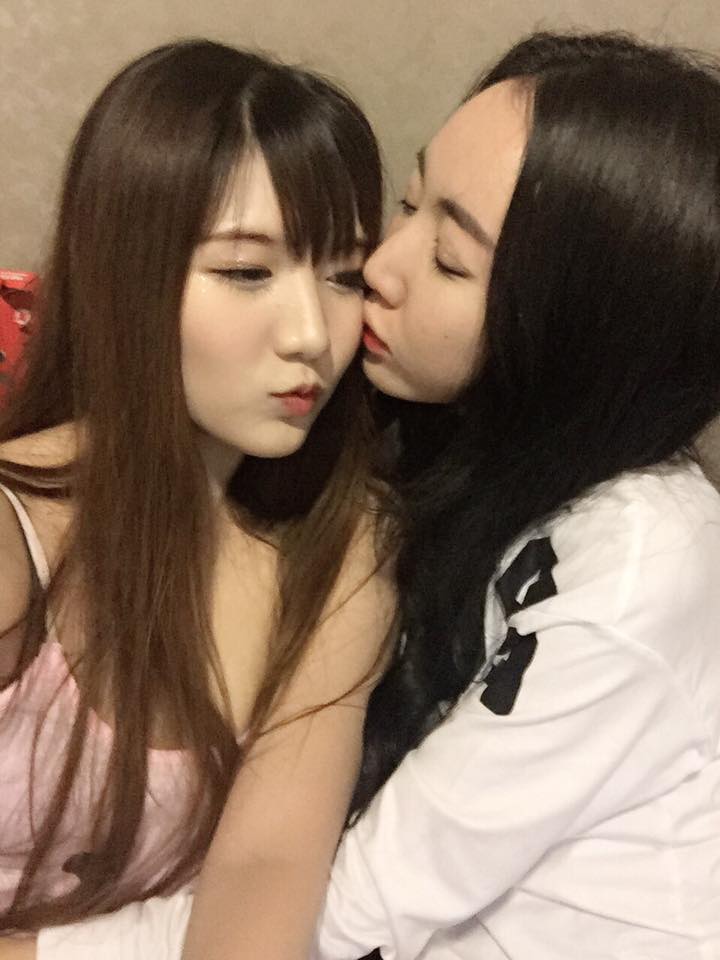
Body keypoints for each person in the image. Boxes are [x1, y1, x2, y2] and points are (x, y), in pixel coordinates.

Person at [21, 29, 720, 960]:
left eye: (449, 260)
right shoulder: (428, 475)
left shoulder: (625, 557)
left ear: (570, 331)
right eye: (409, 204)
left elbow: (332, 892)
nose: (371, 278)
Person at [0, 38, 395, 960]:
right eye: (247, 271)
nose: (312, 334)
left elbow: (264, 880)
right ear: (125, 272)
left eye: (344, 275)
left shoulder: (340, 547)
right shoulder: (18, 531)